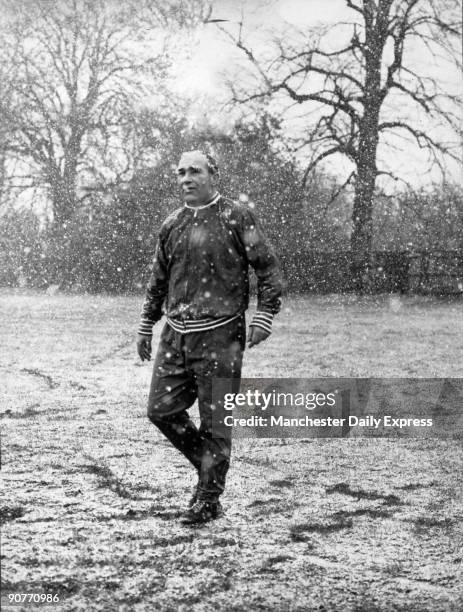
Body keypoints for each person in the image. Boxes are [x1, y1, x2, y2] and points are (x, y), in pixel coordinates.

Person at [136, 150, 283, 524]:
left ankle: (208, 498)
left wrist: (264, 315)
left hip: (221, 334)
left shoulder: (237, 216)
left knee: (216, 421)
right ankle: (211, 469)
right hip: (176, 334)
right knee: (160, 410)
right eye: (181, 172)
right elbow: (158, 281)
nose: (186, 178)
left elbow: (267, 268)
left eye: (195, 171)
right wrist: (145, 324)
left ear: (213, 175)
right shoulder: (171, 225)